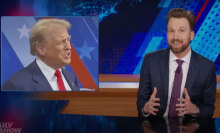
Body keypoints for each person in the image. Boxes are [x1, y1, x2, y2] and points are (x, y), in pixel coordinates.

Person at [137, 8, 216, 118]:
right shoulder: (150, 60)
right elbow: (141, 102)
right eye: (171, 31)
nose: (175, 37)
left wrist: (195, 109)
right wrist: (146, 108)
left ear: (191, 35)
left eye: (181, 30)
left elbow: (209, 109)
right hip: (157, 126)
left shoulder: (207, 67)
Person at [2, 18, 79, 91]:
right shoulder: (16, 85)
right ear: (41, 49)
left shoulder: (71, 77)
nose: (69, 47)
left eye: (68, 40)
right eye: (61, 42)